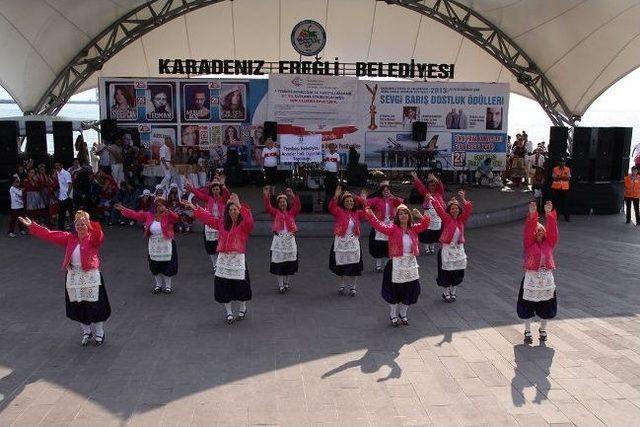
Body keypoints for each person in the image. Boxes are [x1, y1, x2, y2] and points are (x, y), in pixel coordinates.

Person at [19, 211, 111, 346]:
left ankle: (100, 333)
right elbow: (49, 235)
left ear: (88, 224)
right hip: (74, 275)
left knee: (95, 306)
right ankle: (86, 332)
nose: (80, 225)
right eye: (77, 223)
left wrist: (89, 222)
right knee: (77, 304)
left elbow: (99, 234)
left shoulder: (93, 238)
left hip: (91, 276)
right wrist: (33, 226)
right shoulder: (69, 238)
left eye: (83, 223)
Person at [187, 194, 254, 324]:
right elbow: (209, 218)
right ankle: (229, 313)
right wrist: (195, 209)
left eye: (235, 209)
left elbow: (250, 221)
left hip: (237, 258)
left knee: (241, 285)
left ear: (239, 211)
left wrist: (239, 204)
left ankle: (242, 307)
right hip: (223, 259)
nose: (232, 211)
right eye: (230, 210)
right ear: (227, 212)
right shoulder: (222, 223)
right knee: (224, 285)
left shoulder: (244, 225)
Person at [364, 204, 430, 326]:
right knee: (394, 291)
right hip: (396, 264)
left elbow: (426, 224)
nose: (403, 215)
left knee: (411, 290)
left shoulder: (413, 229)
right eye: (400, 213)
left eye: (405, 213)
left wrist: (420, 215)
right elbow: (378, 224)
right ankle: (393, 314)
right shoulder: (392, 229)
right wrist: (369, 211)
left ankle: (403, 313)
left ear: (409, 216)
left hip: (410, 264)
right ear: (397, 217)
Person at [114, 197, 179, 294]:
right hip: (154, 243)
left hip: (166, 243)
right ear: (155, 206)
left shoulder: (168, 215)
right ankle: (158, 285)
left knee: (167, 265)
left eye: (162, 205)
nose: (160, 207)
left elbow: (176, 218)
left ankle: (168, 286)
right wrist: (124, 209)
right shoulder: (149, 215)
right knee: (155, 265)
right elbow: (136, 215)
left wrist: (167, 210)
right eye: (158, 205)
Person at [518, 201, 558, 344]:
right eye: (537, 230)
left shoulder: (549, 243)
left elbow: (553, 231)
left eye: (541, 229)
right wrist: (533, 215)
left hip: (546, 278)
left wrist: (549, 215)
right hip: (531, 277)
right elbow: (528, 230)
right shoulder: (529, 243)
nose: (539, 231)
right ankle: (528, 331)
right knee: (528, 304)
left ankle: (543, 329)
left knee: (546, 304)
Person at [428, 190, 473, 302]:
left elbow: (468, 209)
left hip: (459, 250)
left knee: (458, 271)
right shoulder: (447, 218)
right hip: (447, 249)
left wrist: (463, 198)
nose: (455, 210)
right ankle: (446, 292)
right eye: (452, 208)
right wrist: (432, 200)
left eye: (456, 208)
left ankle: (453, 292)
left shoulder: (461, 220)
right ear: (449, 210)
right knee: (447, 272)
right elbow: (439, 210)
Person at [328, 185, 367, 296]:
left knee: (355, 265)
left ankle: (353, 287)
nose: (349, 203)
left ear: (354, 203)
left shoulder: (357, 213)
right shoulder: (339, 211)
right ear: (343, 202)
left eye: (351, 201)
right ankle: (341, 285)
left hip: (353, 242)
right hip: (341, 241)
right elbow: (331, 207)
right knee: (341, 265)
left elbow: (367, 213)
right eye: (347, 201)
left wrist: (363, 201)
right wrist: (335, 196)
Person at [185, 177, 230, 271]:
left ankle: (221, 263)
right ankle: (215, 265)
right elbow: (199, 194)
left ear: (220, 190)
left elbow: (227, 194)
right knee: (211, 247)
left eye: (217, 189)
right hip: (210, 225)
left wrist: (223, 185)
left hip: (221, 225)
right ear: (211, 191)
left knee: (221, 246)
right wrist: (191, 189)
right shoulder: (208, 198)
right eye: (213, 189)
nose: (215, 191)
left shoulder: (224, 199)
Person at [263, 186, 301, 293]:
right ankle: (280, 285)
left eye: (284, 202)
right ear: (278, 204)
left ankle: (287, 283)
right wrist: (266, 195)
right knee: (279, 263)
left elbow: (297, 206)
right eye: (280, 202)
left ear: (287, 203)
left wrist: (292, 195)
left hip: (290, 239)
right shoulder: (275, 213)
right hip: (279, 240)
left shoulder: (291, 212)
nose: (282, 204)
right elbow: (267, 207)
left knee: (289, 262)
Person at [364, 182, 404, 272]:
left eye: (387, 190)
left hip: (391, 224)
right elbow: (366, 203)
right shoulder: (377, 199)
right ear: (381, 192)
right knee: (379, 245)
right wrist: (362, 198)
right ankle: (378, 265)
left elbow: (401, 203)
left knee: (388, 244)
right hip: (380, 224)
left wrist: (393, 197)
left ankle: (386, 264)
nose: (386, 192)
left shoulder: (393, 199)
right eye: (384, 190)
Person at [412, 172, 445, 254]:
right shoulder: (426, 193)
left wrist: (434, 179)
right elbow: (420, 186)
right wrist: (416, 178)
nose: (432, 187)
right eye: (430, 185)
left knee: (435, 232)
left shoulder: (439, 192)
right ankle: (426, 247)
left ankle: (432, 246)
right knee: (427, 231)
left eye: (434, 185)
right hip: (428, 215)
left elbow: (440, 186)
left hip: (437, 216)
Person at [54, 162, 74, 230]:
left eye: (58, 165)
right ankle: (61, 228)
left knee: (71, 213)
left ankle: (75, 227)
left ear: (61, 165)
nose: (56, 167)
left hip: (67, 197)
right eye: (55, 166)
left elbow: (70, 185)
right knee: (61, 213)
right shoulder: (58, 173)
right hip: (61, 197)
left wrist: (68, 194)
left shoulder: (66, 173)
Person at [324, 142, 341, 208]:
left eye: (333, 147)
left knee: (334, 185)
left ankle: (334, 199)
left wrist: (337, 170)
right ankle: (327, 198)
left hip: (334, 172)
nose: (331, 148)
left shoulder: (337, 155)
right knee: (327, 184)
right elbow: (324, 161)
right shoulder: (326, 154)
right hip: (327, 171)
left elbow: (338, 163)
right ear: (329, 148)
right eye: (330, 147)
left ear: (334, 148)